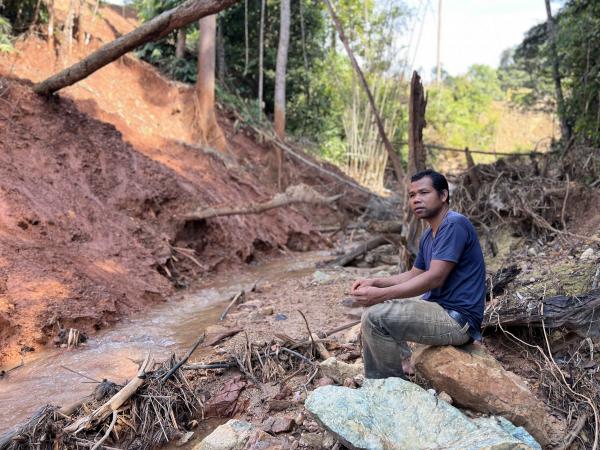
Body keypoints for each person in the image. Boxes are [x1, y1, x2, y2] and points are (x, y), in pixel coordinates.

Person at [351, 169, 486, 379]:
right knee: (374, 307)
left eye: (424, 193)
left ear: (443, 196)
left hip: (457, 321)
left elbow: (434, 277)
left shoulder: (453, 224)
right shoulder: (427, 235)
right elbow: (415, 273)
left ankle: (386, 388)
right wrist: (375, 282)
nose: (416, 200)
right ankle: (405, 362)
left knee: (375, 318)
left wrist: (383, 294)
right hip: (437, 310)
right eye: (412, 195)